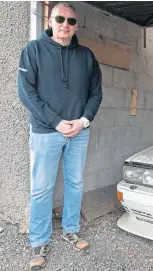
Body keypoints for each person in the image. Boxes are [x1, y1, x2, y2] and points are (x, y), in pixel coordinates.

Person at [17, 2, 102, 270]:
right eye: (61, 19)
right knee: (42, 188)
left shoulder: (87, 56)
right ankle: (39, 240)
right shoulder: (33, 50)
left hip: (78, 132)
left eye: (71, 21)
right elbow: (26, 93)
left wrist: (84, 121)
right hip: (46, 131)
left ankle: (70, 229)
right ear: (51, 21)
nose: (66, 24)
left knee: (75, 182)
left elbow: (96, 93)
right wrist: (55, 122)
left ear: (76, 26)